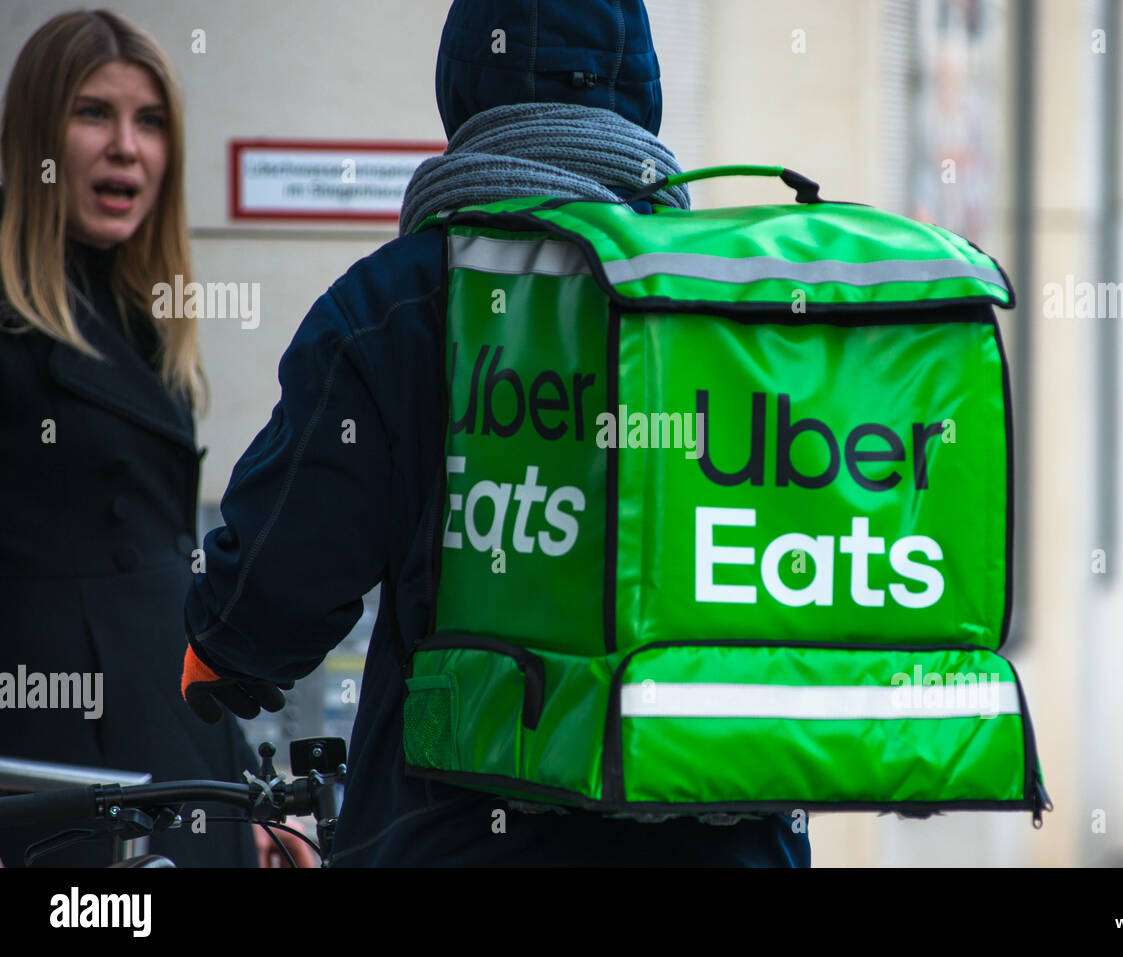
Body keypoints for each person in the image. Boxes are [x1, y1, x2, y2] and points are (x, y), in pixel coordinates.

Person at [180, 0, 811, 866]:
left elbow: (277, 582)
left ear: (461, 84)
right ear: (644, 92)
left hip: (459, 839)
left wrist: (221, 646)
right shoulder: (731, 305)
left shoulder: (397, 303)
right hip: (728, 839)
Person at [0, 9, 305, 868]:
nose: (127, 147)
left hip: (174, 757)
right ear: (36, 135)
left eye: (151, 121)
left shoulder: (143, 314)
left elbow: (164, 580)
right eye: (94, 113)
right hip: (54, 780)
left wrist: (247, 790)